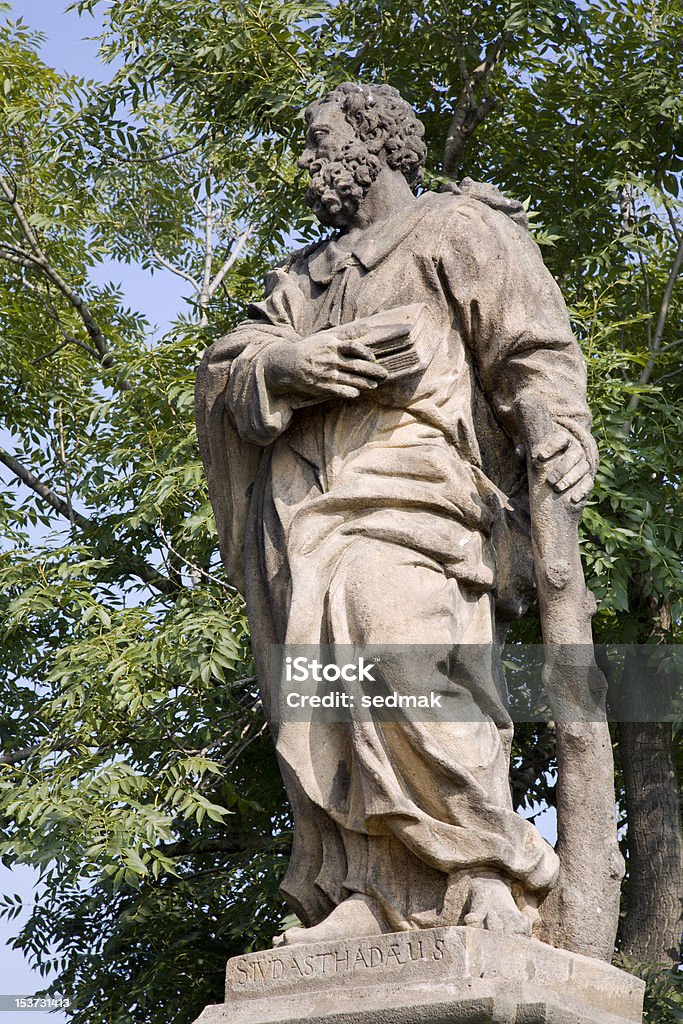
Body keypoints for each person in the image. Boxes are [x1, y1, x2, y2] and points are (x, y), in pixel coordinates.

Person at [196, 83, 598, 946]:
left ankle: (488, 867)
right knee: (319, 692)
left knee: (403, 656)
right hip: (303, 509)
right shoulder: (304, 274)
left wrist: (555, 429)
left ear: (373, 140)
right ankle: (366, 888)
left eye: (318, 136)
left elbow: (531, 348)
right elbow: (234, 362)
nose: (305, 156)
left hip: (416, 489)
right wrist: (291, 362)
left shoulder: (458, 229)